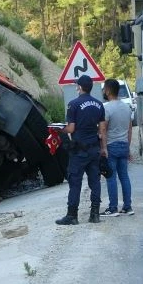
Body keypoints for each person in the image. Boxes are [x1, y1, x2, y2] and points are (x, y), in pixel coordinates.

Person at [55, 75, 107, 225]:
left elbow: (71, 128)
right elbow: (102, 129)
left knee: (75, 182)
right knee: (95, 182)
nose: (76, 87)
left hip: (79, 151)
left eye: (77, 85)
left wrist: (59, 129)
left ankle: (72, 216)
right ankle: (95, 215)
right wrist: (104, 148)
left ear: (80, 87)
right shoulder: (99, 104)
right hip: (94, 149)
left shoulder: (73, 104)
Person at [100, 79, 134, 217]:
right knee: (124, 177)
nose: (103, 91)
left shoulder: (107, 108)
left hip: (111, 146)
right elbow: (130, 129)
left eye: (104, 89)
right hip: (124, 145)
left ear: (108, 90)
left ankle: (113, 208)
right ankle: (128, 207)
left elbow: (103, 129)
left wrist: (103, 148)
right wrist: (128, 147)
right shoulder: (126, 107)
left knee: (111, 177)